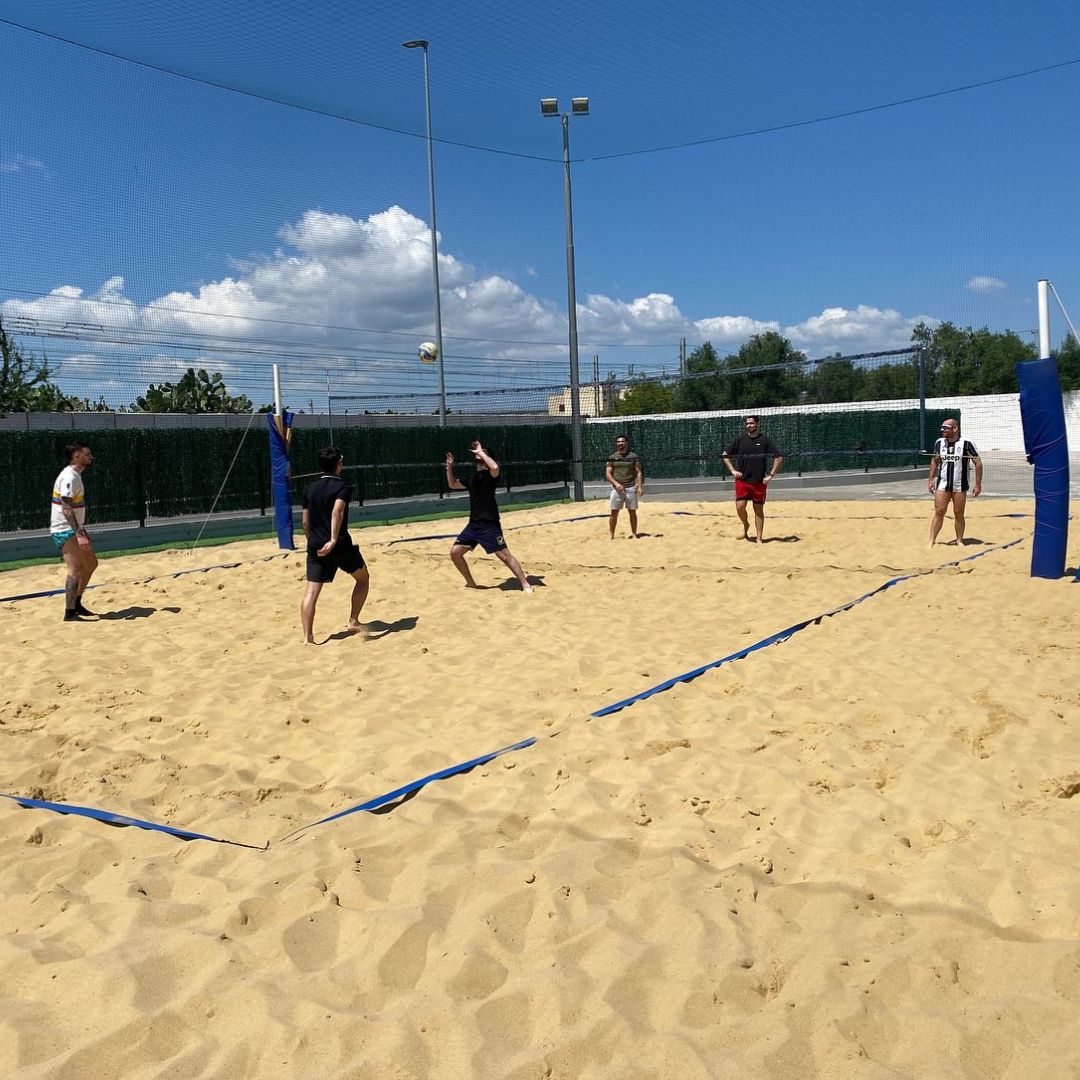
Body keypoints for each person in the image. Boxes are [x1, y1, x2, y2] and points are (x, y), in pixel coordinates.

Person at [300, 447, 370, 643]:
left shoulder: (310, 488)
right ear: (339, 464)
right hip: (339, 544)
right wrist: (332, 539)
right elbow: (337, 512)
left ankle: (308, 638)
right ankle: (353, 620)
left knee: (311, 592)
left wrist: (311, 541)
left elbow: (305, 522)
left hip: (315, 546)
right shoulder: (343, 486)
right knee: (363, 579)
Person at [446, 440, 533, 592]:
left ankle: (525, 584)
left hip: (489, 524)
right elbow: (452, 484)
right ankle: (471, 583)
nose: (479, 456)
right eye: (479, 455)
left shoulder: (491, 476)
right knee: (455, 553)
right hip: (473, 525)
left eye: (483, 455)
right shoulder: (472, 478)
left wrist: (481, 452)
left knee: (504, 556)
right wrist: (450, 466)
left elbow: (495, 467)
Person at [51, 442, 99, 621]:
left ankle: (76, 603)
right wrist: (79, 533)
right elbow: (66, 507)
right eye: (87, 454)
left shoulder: (75, 476)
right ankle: (69, 612)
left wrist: (82, 530)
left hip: (73, 528)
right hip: (64, 529)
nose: (90, 457)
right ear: (76, 456)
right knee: (76, 567)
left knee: (91, 564)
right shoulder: (69, 477)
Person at [722, 416, 784, 543]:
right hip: (742, 480)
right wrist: (733, 470)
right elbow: (725, 455)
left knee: (758, 509)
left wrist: (771, 476)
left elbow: (779, 458)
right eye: (747, 423)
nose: (749, 425)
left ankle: (759, 538)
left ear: (757, 424)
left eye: (751, 423)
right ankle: (746, 524)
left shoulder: (764, 440)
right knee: (740, 507)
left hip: (759, 482)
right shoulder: (740, 440)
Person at [928, 418, 982, 545]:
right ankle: (932, 540)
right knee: (939, 511)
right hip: (943, 484)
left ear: (955, 428)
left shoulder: (967, 443)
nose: (943, 430)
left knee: (958, 513)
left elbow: (978, 463)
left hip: (959, 485)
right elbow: (935, 461)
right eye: (942, 428)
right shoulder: (939, 443)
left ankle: (959, 540)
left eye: (946, 428)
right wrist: (931, 479)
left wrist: (978, 484)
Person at [605, 434, 644, 539]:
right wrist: (616, 484)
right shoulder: (613, 457)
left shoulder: (633, 456)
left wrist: (640, 486)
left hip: (630, 487)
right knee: (614, 512)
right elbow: (608, 474)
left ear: (626, 443)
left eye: (622, 441)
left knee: (632, 512)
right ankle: (611, 534)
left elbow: (639, 472)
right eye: (618, 442)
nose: (620, 443)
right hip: (617, 488)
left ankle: (634, 534)